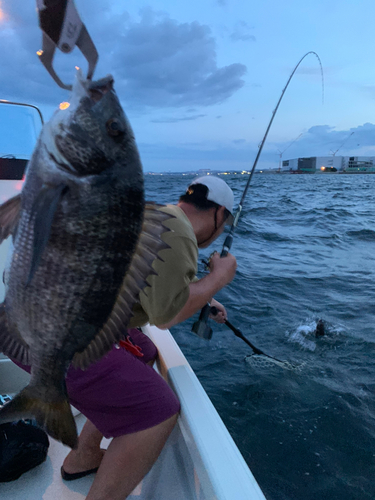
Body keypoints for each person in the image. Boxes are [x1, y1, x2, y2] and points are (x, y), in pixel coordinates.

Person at [19, 175, 237, 500]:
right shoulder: (179, 232)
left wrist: (202, 295)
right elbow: (167, 316)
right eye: (226, 224)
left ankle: (85, 454)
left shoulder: (155, 215)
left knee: (144, 349)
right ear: (219, 214)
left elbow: (145, 282)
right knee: (159, 410)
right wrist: (218, 278)